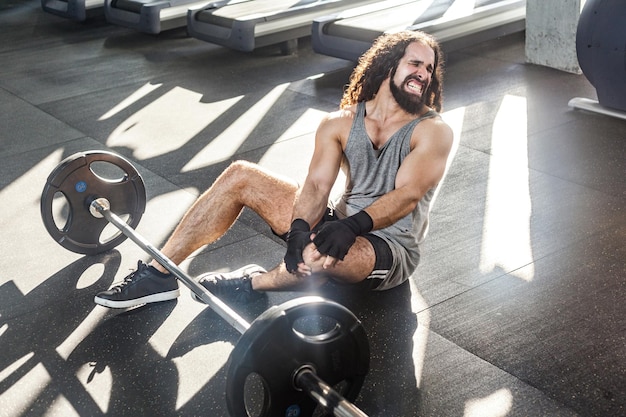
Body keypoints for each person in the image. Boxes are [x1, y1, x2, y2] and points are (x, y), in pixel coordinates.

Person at [94, 30, 454, 309]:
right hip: (339, 225)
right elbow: (315, 186)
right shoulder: (340, 122)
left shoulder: (432, 131)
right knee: (240, 175)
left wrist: (352, 226)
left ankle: (253, 283)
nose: (422, 73)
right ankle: (158, 275)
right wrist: (299, 228)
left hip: (388, 246)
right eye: (414, 63)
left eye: (428, 67)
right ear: (389, 64)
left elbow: (407, 195)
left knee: (314, 257)